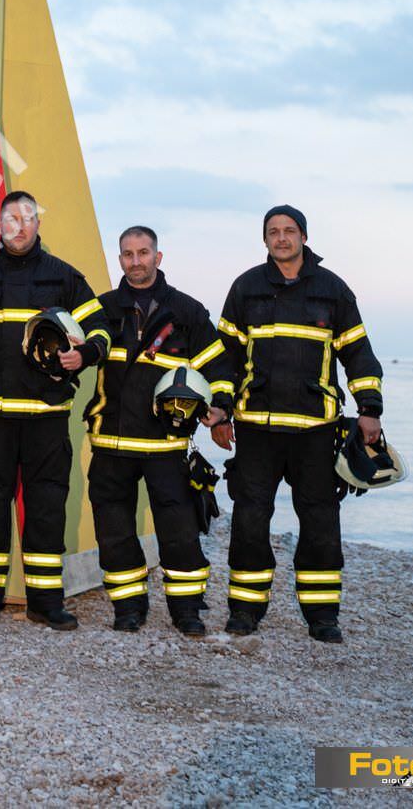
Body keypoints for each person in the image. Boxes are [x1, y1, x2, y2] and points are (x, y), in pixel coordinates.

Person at [211, 205, 384, 643]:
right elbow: (225, 358)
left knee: (321, 521)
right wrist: (221, 411)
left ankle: (323, 617)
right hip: (257, 430)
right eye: (273, 232)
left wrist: (370, 409)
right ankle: (244, 611)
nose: (282, 238)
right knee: (250, 519)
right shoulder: (246, 287)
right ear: (265, 239)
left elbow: (358, 354)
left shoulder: (333, 290)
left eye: (289, 231)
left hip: (315, 431)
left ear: (304, 237)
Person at [0, 191, 110, 630]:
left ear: (38, 224)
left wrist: (85, 354)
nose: (19, 225)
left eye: (28, 217)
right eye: (11, 218)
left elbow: (101, 329)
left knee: (47, 506)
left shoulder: (65, 277)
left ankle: (46, 602)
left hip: (47, 416)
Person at [84, 226, 234, 637]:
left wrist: (221, 407)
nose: (136, 261)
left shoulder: (187, 312)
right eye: (128, 254)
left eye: (143, 252)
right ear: (120, 259)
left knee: (180, 532)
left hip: (167, 444)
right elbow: (73, 351)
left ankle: (186, 612)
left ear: (158, 257)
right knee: (114, 532)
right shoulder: (101, 309)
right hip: (111, 442)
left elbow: (219, 367)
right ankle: (128, 608)